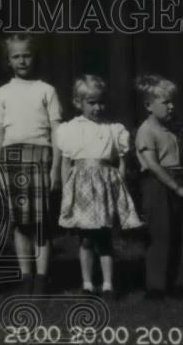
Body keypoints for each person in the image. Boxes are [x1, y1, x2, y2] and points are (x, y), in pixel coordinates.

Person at [55, 74, 142, 299]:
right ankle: (86, 283)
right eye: (91, 103)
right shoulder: (70, 129)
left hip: (104, 186)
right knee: (85, 239)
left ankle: (108, 284)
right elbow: (66, 162)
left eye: (101, 102)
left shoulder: (113, 129)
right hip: (82, 187)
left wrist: (119, 182)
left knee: (104, 238)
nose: (97, 107)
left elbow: (121, 159)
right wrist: (67, 190)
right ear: (78, 103)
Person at [0, 34, 62, 294]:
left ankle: (42, 279)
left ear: (34, 57)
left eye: (26, 55)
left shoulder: (46, 89)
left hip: (40, 156)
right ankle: (26, 277)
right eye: (16, 56)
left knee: (41, 222)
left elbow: (57, 131)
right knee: (20, 223)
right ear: (8, 60)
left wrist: (56, 168)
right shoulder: (2, 93)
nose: (22, 60)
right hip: (11, 160)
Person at [135, 74, 183, 299]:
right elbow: (152, 165)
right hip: (158, 185)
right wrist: (175, 187)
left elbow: (182, 160)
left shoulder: (171, 131)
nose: (172, 106)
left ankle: (180, 282)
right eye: (166, 102)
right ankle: (157, 286)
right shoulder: (146, 131)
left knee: (180, 233)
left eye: (172, 102)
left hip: (177, 180)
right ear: (149, 105)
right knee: (160, 234)